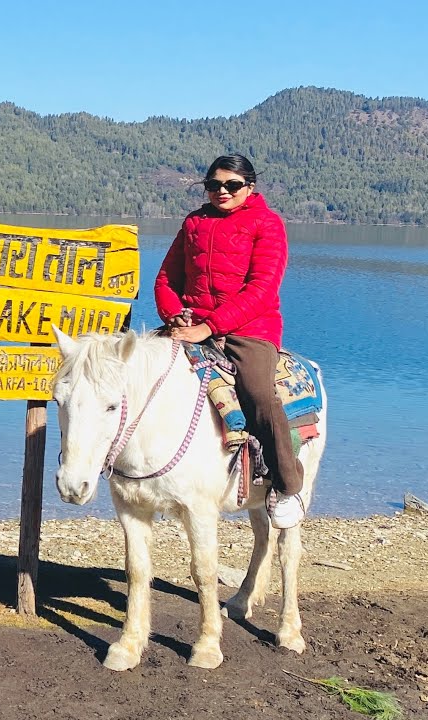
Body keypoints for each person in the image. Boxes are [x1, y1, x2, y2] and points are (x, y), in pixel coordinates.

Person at [154, 153, 306, 529]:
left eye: (232, 185)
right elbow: (166, 279)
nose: (222, 191)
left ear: (249, 188)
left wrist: (209, 328)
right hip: (191, 322)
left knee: (258, 393)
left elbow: (262, 288)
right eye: (213, 185)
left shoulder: (268, 224)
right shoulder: (194, 222)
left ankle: (287, 484)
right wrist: (173, 313)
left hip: (250, 327)